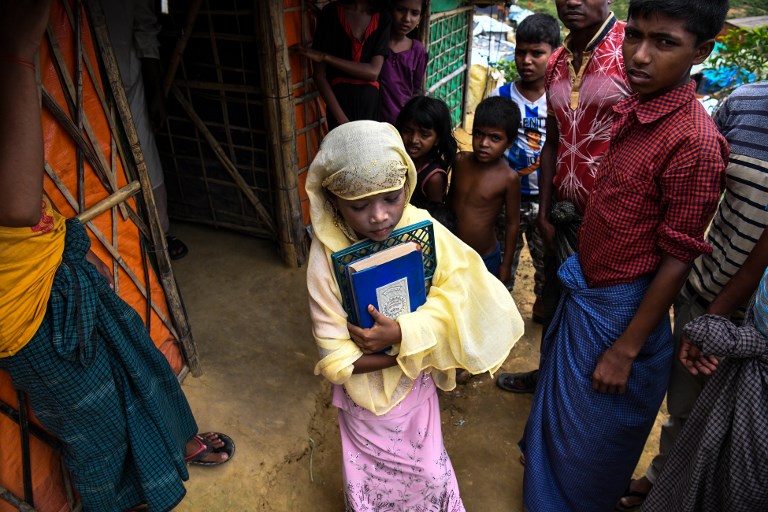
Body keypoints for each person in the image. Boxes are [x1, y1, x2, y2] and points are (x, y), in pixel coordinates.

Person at [0, 3, 233, 510]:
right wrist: (17, 52)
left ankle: (174, 447)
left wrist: (68, 257)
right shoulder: (11, 60)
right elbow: (16, 206)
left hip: (56, 270)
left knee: (140, 364)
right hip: (24, 312)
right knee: (96, 429)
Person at [520, 0, 729, 510]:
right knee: (562, 429)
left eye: (663, 43)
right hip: (591, 289)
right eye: (634, 36)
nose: (638, 55)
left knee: (591, 444)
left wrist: (626, 349)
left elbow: (678, 256)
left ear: (702, 51)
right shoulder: (635, 110)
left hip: (621, 312)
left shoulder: (696, 142)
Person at [305, 120, 524, 510]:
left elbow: (470, 291)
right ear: (332, 199)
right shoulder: (324, 258)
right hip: (366, 405)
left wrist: (404, 333)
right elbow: (337, 359)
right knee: (371, 478)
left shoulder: (421, 228)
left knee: (427, 472)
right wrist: (406, 349)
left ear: (407, 183)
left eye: (392, 198)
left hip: (415, 390)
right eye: (359, 206)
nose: (379, 216)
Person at [617, 81, 768, 510]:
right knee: (685, 408)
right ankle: (661, 479)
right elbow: (698, 196)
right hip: (705, 290)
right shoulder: (743, 104)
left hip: (755, 322)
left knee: (742, 442)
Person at [498, 0, 632, 395]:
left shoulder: (631, 49)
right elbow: (553, 141)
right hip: (562, 211)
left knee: (594, 315)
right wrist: (545, 210)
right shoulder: (558, 61)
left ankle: (573, 401)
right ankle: (548, 384)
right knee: (556, 303)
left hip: (611, 220)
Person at [488, 13, 560, 329]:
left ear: (555, 54)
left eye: (537, 53)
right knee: (501, 267)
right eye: (520, 52)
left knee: (549, 267)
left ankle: (543, 315)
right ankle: (498, 326)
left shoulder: (562, 100)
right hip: (507, 202)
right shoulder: (501, 98)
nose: (526, 60)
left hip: (549, 201)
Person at [100, 0, 188, 260]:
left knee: (144, 156)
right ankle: (120, 242)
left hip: (129, 82)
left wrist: (156, 94)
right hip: (82, 86)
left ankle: (159, 233)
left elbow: (146, 32)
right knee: (102, 164)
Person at [448, 96, 521, 283]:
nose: (484, 143)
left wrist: (506, 264)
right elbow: (450, 202)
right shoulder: (460, 161)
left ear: (510, 142)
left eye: (495, 138)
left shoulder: (508, 178)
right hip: (452, 252)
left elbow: (512, 224)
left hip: (485, 257)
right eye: (479, 134)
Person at [300, 0, 391, 128]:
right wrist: (342, 120)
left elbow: (373, 72)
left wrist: (326, 57)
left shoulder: (383, 17)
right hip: (339, 107)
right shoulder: (330, 13)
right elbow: (319, 76)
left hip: (370, 109)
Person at [395, 95, 456, 219]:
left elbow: (435, 215)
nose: (413, 139)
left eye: (424, 135)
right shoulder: (398, 159)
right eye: (408, 131)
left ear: (437, 140)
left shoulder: (433, 177)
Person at [378, 0, 428, 125]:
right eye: (400, 10)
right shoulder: (376, 43)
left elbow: (415, 90)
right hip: (372, 120)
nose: (406, 18)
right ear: (390, 9)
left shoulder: (418, 51)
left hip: (402, 122)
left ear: (420, 18)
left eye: (414, 13)